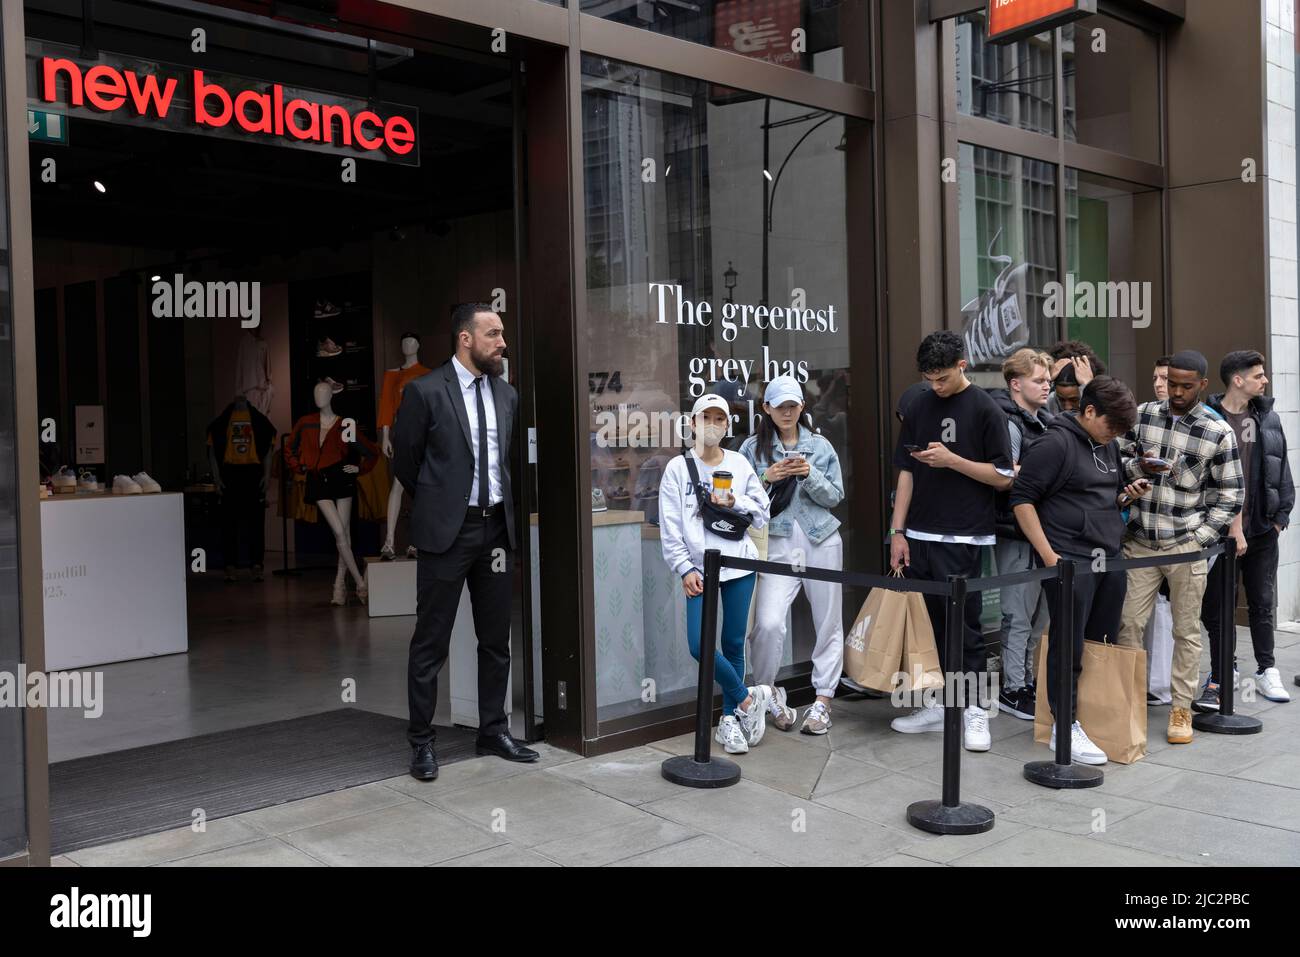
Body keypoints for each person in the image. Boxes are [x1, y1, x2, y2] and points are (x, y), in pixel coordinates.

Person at [392, 302, 537, 781]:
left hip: (496, 531)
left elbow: (503, 464)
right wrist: (442, 506)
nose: (502, 342)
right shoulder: (425, 392)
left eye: (502, 334)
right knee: (430, 642)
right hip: (447, 535)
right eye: (493, 334)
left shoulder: (507, 395)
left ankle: (492, 731)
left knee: (496, 639)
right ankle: (422, 743)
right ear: (465, 339)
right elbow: (406, 464)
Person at [1011, 376, 1148, 765]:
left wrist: (1128, 493)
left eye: (1122, 429)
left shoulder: (1107, 443)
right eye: (1113, 425)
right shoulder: (1054, 443)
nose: (1117, 434)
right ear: (1089, 411)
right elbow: (1022, 500)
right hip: (1069, 558)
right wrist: (1050, 557)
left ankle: (1093, 716)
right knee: (1068, 643)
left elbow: (1103, 494)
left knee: (1100, 642)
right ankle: (1063, 725)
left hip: (1108, 555)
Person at [888, 331, 1014, 752]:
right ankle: (942, 704)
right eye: (929, 378)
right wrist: (897, 531)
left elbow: (1003, 477)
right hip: (919, 532)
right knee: (931, 626)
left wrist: (952, 461)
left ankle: (976, 709)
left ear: (962, 365)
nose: (935, 386)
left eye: (941, 378)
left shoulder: (987, 409)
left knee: (966, 628)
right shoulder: (919, 404)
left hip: (965, 534)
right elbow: (905, 471)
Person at [1116, 349, 1243, 745]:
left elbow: (1231, 493)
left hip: (1187, 545)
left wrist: (1201, 540)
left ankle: (1181, 708)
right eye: (1171, 383)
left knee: (1187, 631)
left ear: (1203, 385)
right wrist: (1138, 470)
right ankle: (1129, 705)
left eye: (1185, 386)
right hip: (1139, 540)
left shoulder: (1217, 431)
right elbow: (1115, 458)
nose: (1176, 391)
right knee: (1128, 624)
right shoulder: (1143, 414)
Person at [659, 393, 772, 754]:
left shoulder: (739, 463)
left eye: (719, 419)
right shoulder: (677, 469)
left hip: (739, 561)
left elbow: (762, 513)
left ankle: (728, 719)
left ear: (727, 426)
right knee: (699, 644)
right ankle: (748, 701)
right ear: (692, 423)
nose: (712, 424)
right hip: (699, 569)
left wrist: (734, 501)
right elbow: (670, 526)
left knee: (734, 643)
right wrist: (683, 567)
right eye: (705, 417)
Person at [741, 375, 845, 735]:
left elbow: (834, 497)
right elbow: (740, 501)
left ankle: (822, 701)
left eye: (792, 405)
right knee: (767, 624)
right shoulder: (752, 449)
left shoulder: (820, 446)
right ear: (766, 408)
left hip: (822, 539)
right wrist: (766, 477)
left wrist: (808, 473)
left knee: (828, 623)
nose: (786, 411)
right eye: (778, 405)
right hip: (776, 543)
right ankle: (768, 693)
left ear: (802, 407)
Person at [1196, 350, 1294, 709]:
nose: (1264, 380)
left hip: (1262, 529)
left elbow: (1282, 467)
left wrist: (1280, 518)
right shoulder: (1206, 419)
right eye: (1258, 375)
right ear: (1238, 380)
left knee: (1262, 602)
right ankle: (1226, 670)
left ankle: (1267, 670)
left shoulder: (1266, 417)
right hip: (1219, 533)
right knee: (1217, 606)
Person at [987, 348, 1054, 720]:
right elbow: (1005, 477)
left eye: (1048, 380)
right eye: (1039, 381)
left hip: (1038, 528)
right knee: (1017, 613)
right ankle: (1013, 688)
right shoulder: (1008, 422)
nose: (1047, 387)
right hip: (1014, 530)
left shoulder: (1042, 420)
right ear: (1016, 384)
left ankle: (1023, 680)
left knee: (1036, 615)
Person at [1045, 340, 1104, 415]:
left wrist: (1089, 385)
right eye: (1061, 400)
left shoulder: (1107, 402)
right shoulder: (1049, 401)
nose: (1067, 407)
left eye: (1074, 400)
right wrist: (1046, 379)